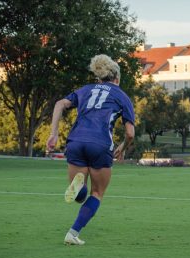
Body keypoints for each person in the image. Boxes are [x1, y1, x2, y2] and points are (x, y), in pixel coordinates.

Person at [46, 54, 135, 245]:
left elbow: (59, 104)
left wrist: (53, 133)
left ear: (98, 78)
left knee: (80, 196)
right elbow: (130, 133)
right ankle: (73, 233)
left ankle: (79, 187)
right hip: (100, 144)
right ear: (117, 78)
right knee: (97, 193)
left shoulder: (85, 90)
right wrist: (122, 147)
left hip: (76, 141)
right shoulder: (121, 96)